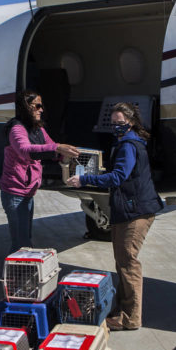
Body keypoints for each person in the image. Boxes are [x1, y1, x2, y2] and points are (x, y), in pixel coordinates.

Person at [67, 102, 163, 330]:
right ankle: (122, 309)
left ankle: (131, 318)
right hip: (127, 210)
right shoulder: (126, 142)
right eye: (114, 123)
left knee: (128, 263)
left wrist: (84, 179)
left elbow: (118, 177)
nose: (117, 127)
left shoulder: (129, 144)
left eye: (121, 123)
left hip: (135, 211)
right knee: (122, 262)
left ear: (130, 122)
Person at [0, 90, 79, 255]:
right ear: (26, 107)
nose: (41, 109)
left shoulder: (38, 130)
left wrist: (64, 154)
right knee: (21, 243)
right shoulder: (17, 129)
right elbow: (25, 150)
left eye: (41, 106)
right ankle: (19, 277)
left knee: (23, 240)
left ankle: (20, 275)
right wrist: (57, 148)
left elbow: (51, 146)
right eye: (37, 105)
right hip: (15, 194)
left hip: (27, 192)